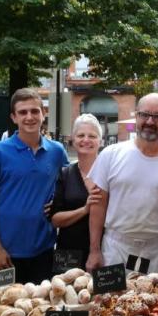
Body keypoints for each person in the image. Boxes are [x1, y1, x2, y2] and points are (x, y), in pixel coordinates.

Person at [86, 93, 158, 276]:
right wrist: (94, 250)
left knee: (152, 304)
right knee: (110, 302)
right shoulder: (111, 154)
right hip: (115, 249)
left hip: (156, 252)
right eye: (144, 114)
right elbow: (98, 205)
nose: (150, 121)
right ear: (136, 116)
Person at [0, 88, 69, 283]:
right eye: (22, 112)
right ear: (13, 117)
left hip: (44, 249)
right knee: (4, 310)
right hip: (6, 253)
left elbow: (69, 188)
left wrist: (58, 202)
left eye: (35, 111)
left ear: (43, 114)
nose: (29, 117)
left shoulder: (56, 151)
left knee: (41, 308)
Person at [51, 114, 103, 266]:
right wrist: (85, 210)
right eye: (81, 135)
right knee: (64, 290)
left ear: (100, 141)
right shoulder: (65, 174)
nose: (86, 140)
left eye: (92, 136)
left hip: (105, 251)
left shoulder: (110, 173)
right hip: (68, 254)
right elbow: (55, 220)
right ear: (73, 140)